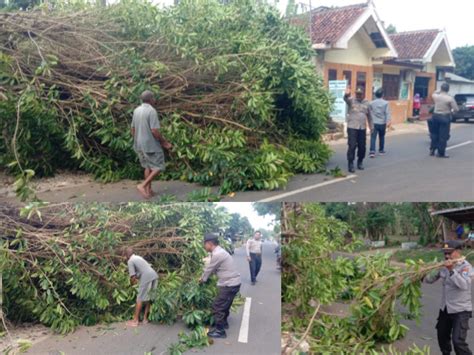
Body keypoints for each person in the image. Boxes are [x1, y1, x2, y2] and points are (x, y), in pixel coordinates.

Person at [424, 240, 472, 355]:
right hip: (445, 308)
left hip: (460, 310)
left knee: (458, 342)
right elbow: (430, 279)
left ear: (458, 252)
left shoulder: (466, 267)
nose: (446, 256)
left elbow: (464, 285)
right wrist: (421, 274)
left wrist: (451, 270)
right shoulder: (443, 266)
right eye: (445, 253)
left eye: (449, 253)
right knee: (442, 336)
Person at [131, 90, 172, 199]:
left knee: (147, 166)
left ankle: (148, 191)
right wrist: (164, 142)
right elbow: (154, 130)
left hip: (139, 144)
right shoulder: (151, 111)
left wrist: (136, 141)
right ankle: (142, 185)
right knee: (159, 166)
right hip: (150, 144)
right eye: (153, 98)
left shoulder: (136, 110)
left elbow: (133, 129)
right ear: (150, 99)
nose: (154, 100)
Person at [200, 233, 241, 339]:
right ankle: (224, 323)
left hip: (229, 284)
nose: (204, 247)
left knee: (217, 306)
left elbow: (209, 269)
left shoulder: (218, 254)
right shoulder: (219, 251)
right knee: (225, 305)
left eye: (205, 244)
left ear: (209, 243)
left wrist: (202, 280)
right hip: (233, 283)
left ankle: (220, 331)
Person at [124, 247, 159, 327]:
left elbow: (133, 277)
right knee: (148, 297)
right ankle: (145, 319)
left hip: (146, 276)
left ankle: (135, 320)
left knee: (139, 298)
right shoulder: (138, 257)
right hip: (154, 275)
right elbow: (144, 269)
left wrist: (132, 284)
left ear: (126, 255)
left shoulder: (130, 261)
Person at [344, 87, 373, 173]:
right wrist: (346, 94)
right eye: (357, 94)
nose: (358, 95)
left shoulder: (367, 103)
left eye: (360, 94)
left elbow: (370, 116)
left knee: (362, 147)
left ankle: (360, 161)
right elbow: (345, 99)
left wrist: (371, 127)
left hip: (362, 128)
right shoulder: (351, 100)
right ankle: (350, 163)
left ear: (363, 94)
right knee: (352, 146)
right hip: (352, 127)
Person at [430, 83, 459, 158]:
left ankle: (432, 150)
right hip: (444, 117)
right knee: (443, 136)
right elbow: (456, 109)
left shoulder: (436, 96)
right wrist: (451, 112)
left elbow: (434, 92)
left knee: (434, 134)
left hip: (435, 116)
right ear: (448, 89)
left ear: (441, 89)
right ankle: (441, 153)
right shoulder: (450, 98)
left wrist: (440, 90)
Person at [369, 88, 391, 158]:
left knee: (373, 137)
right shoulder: (386, 103)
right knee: (381, 137)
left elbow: (369, 112)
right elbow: (387, 113)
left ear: (375, 95)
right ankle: (381, 150)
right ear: (382, 95)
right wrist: (388, 121)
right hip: (382, 123)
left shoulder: (371, 103)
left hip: (374, 122)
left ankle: (372, 151)